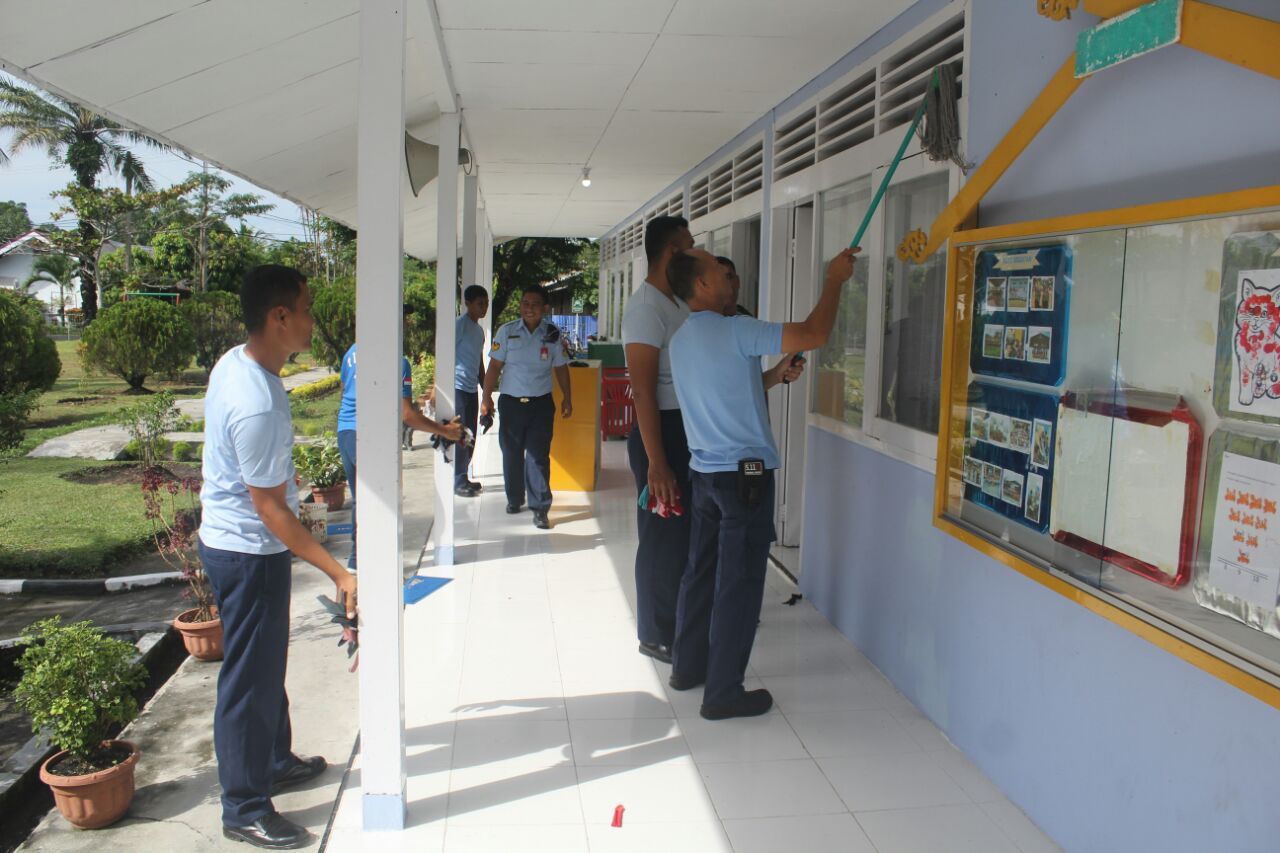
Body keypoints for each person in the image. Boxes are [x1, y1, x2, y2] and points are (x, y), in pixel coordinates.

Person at [198, 264, 359, 849]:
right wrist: (339, 571)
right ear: (280, 316)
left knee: (264, 665)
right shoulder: (256, 401)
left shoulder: (238, 363)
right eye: (308, 309)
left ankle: (272, 760)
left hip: (241, 545)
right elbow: (269, 509)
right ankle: (244, 806)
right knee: (248, 682)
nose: (314, 320)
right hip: (247, 552)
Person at [666, 246, 858, 720]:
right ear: (702, 284)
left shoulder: (682, 339)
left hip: (706, 476)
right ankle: (723, 693)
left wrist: (773, 376)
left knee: (701, 572)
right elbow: (814, 333)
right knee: (740, 582)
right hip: (743, 481)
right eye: (720, 271)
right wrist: (834, 280)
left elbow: (729, 393)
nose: (730, 278)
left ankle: (688, 668)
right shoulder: (737, 329)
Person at [336, 306, 463, 569]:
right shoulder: (398, 360)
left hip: (346, 432)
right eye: (402, 321)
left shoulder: (352, 353)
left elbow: (344, 391)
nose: (405, 326)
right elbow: (407, 414)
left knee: (362, 499)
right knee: (382, 501)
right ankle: (379, 568)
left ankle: (357, 562)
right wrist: (444, 431)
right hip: (370, 437)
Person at [623, 215, 693, 665]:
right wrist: (657, 462)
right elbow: (643, 391)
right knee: (662, 537)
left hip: (683, 429)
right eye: (689, 246)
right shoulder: (646, 308)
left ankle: (677, 624)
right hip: (660, 432)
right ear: (671, 252)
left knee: (679, 536)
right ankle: (655, 633)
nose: (695, 253)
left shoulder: (677, 303)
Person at [481, 284, 572, 529]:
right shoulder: (507, 331)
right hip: (511, 403)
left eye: (535, 304)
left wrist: (568, 397)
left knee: (537, 455)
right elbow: (494, 367)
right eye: (525, 303)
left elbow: (561, 367)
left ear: (545, 308)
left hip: (541, 404)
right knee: (511, 452)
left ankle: (540, 508)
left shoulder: (552, 333)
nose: (529, 308)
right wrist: (486, 398)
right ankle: (514, 498)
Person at [454, 285, 489, 497]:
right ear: (467, 304)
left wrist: (486, 391)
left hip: (471, 388)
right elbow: (446, 352)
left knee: (471, 434)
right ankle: (458, 480)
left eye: (486, 304)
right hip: (457, 387)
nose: (483, 308)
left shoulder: (479, 331)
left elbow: (479, 363)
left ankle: (463, 476)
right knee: (461, 434)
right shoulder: (459, 325)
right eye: (479, 304)